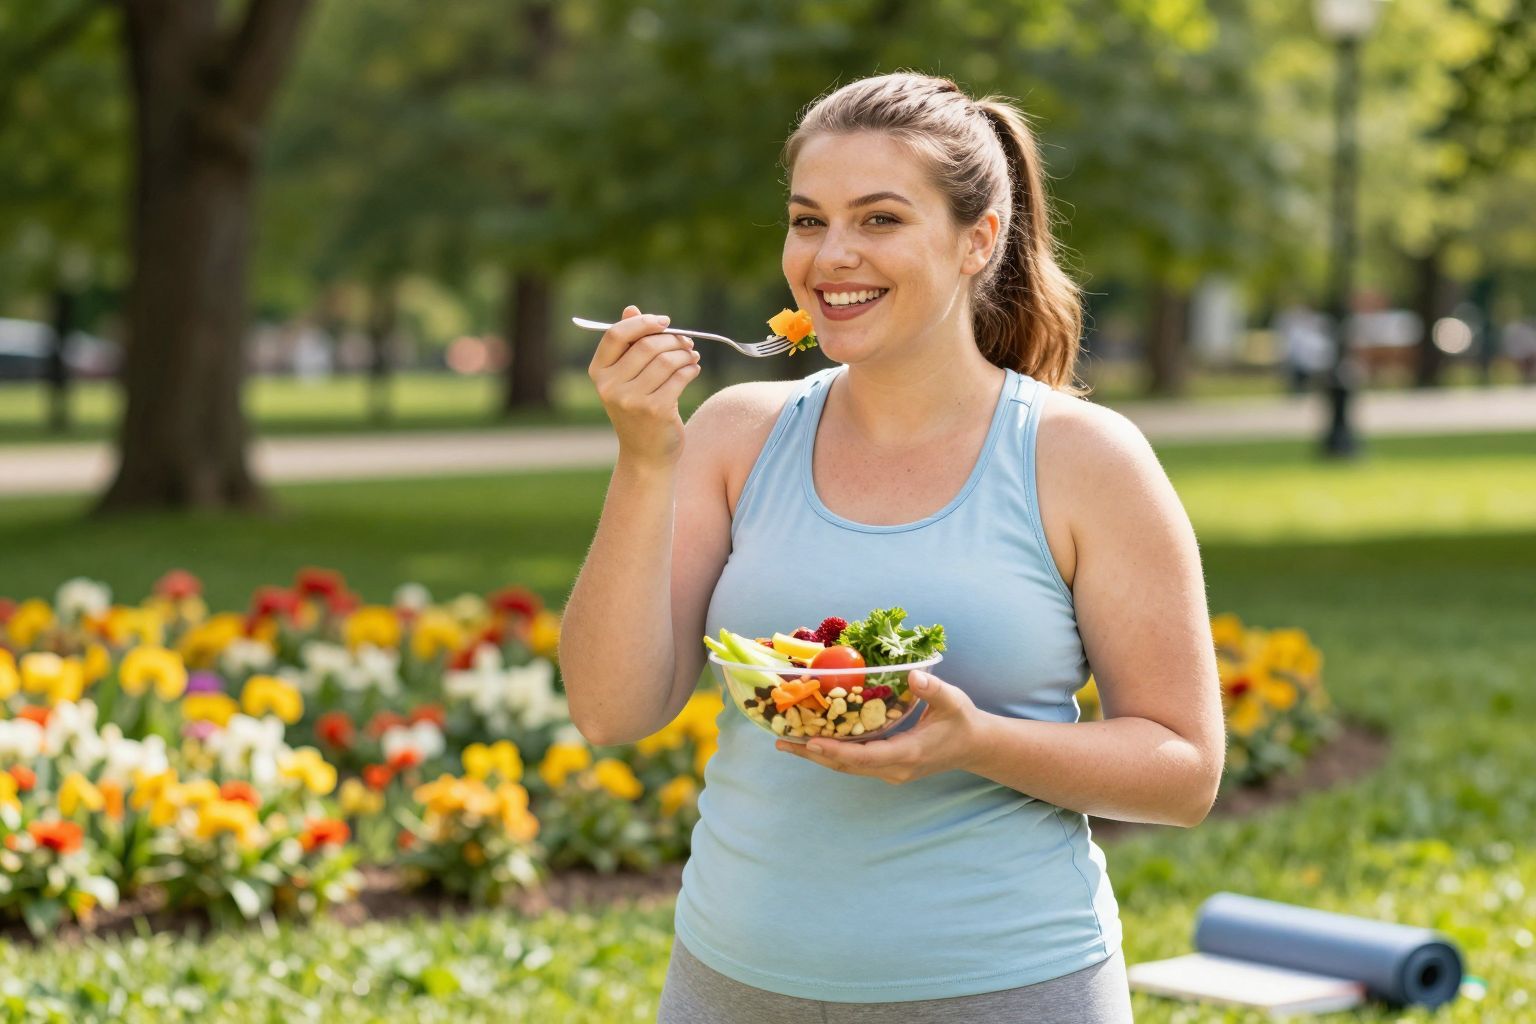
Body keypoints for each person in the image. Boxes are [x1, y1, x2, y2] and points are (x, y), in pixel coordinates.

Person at [560, 71, 1225, 1023]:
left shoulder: (1083, 459)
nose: (831, 256)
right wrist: (644, 460)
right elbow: (610, 710)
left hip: (1006, 989)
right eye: (806, 220)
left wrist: (975, 742)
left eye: (879, 220)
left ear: (977, 241)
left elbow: (1184, 771)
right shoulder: (736, 434)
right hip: (730, 982)